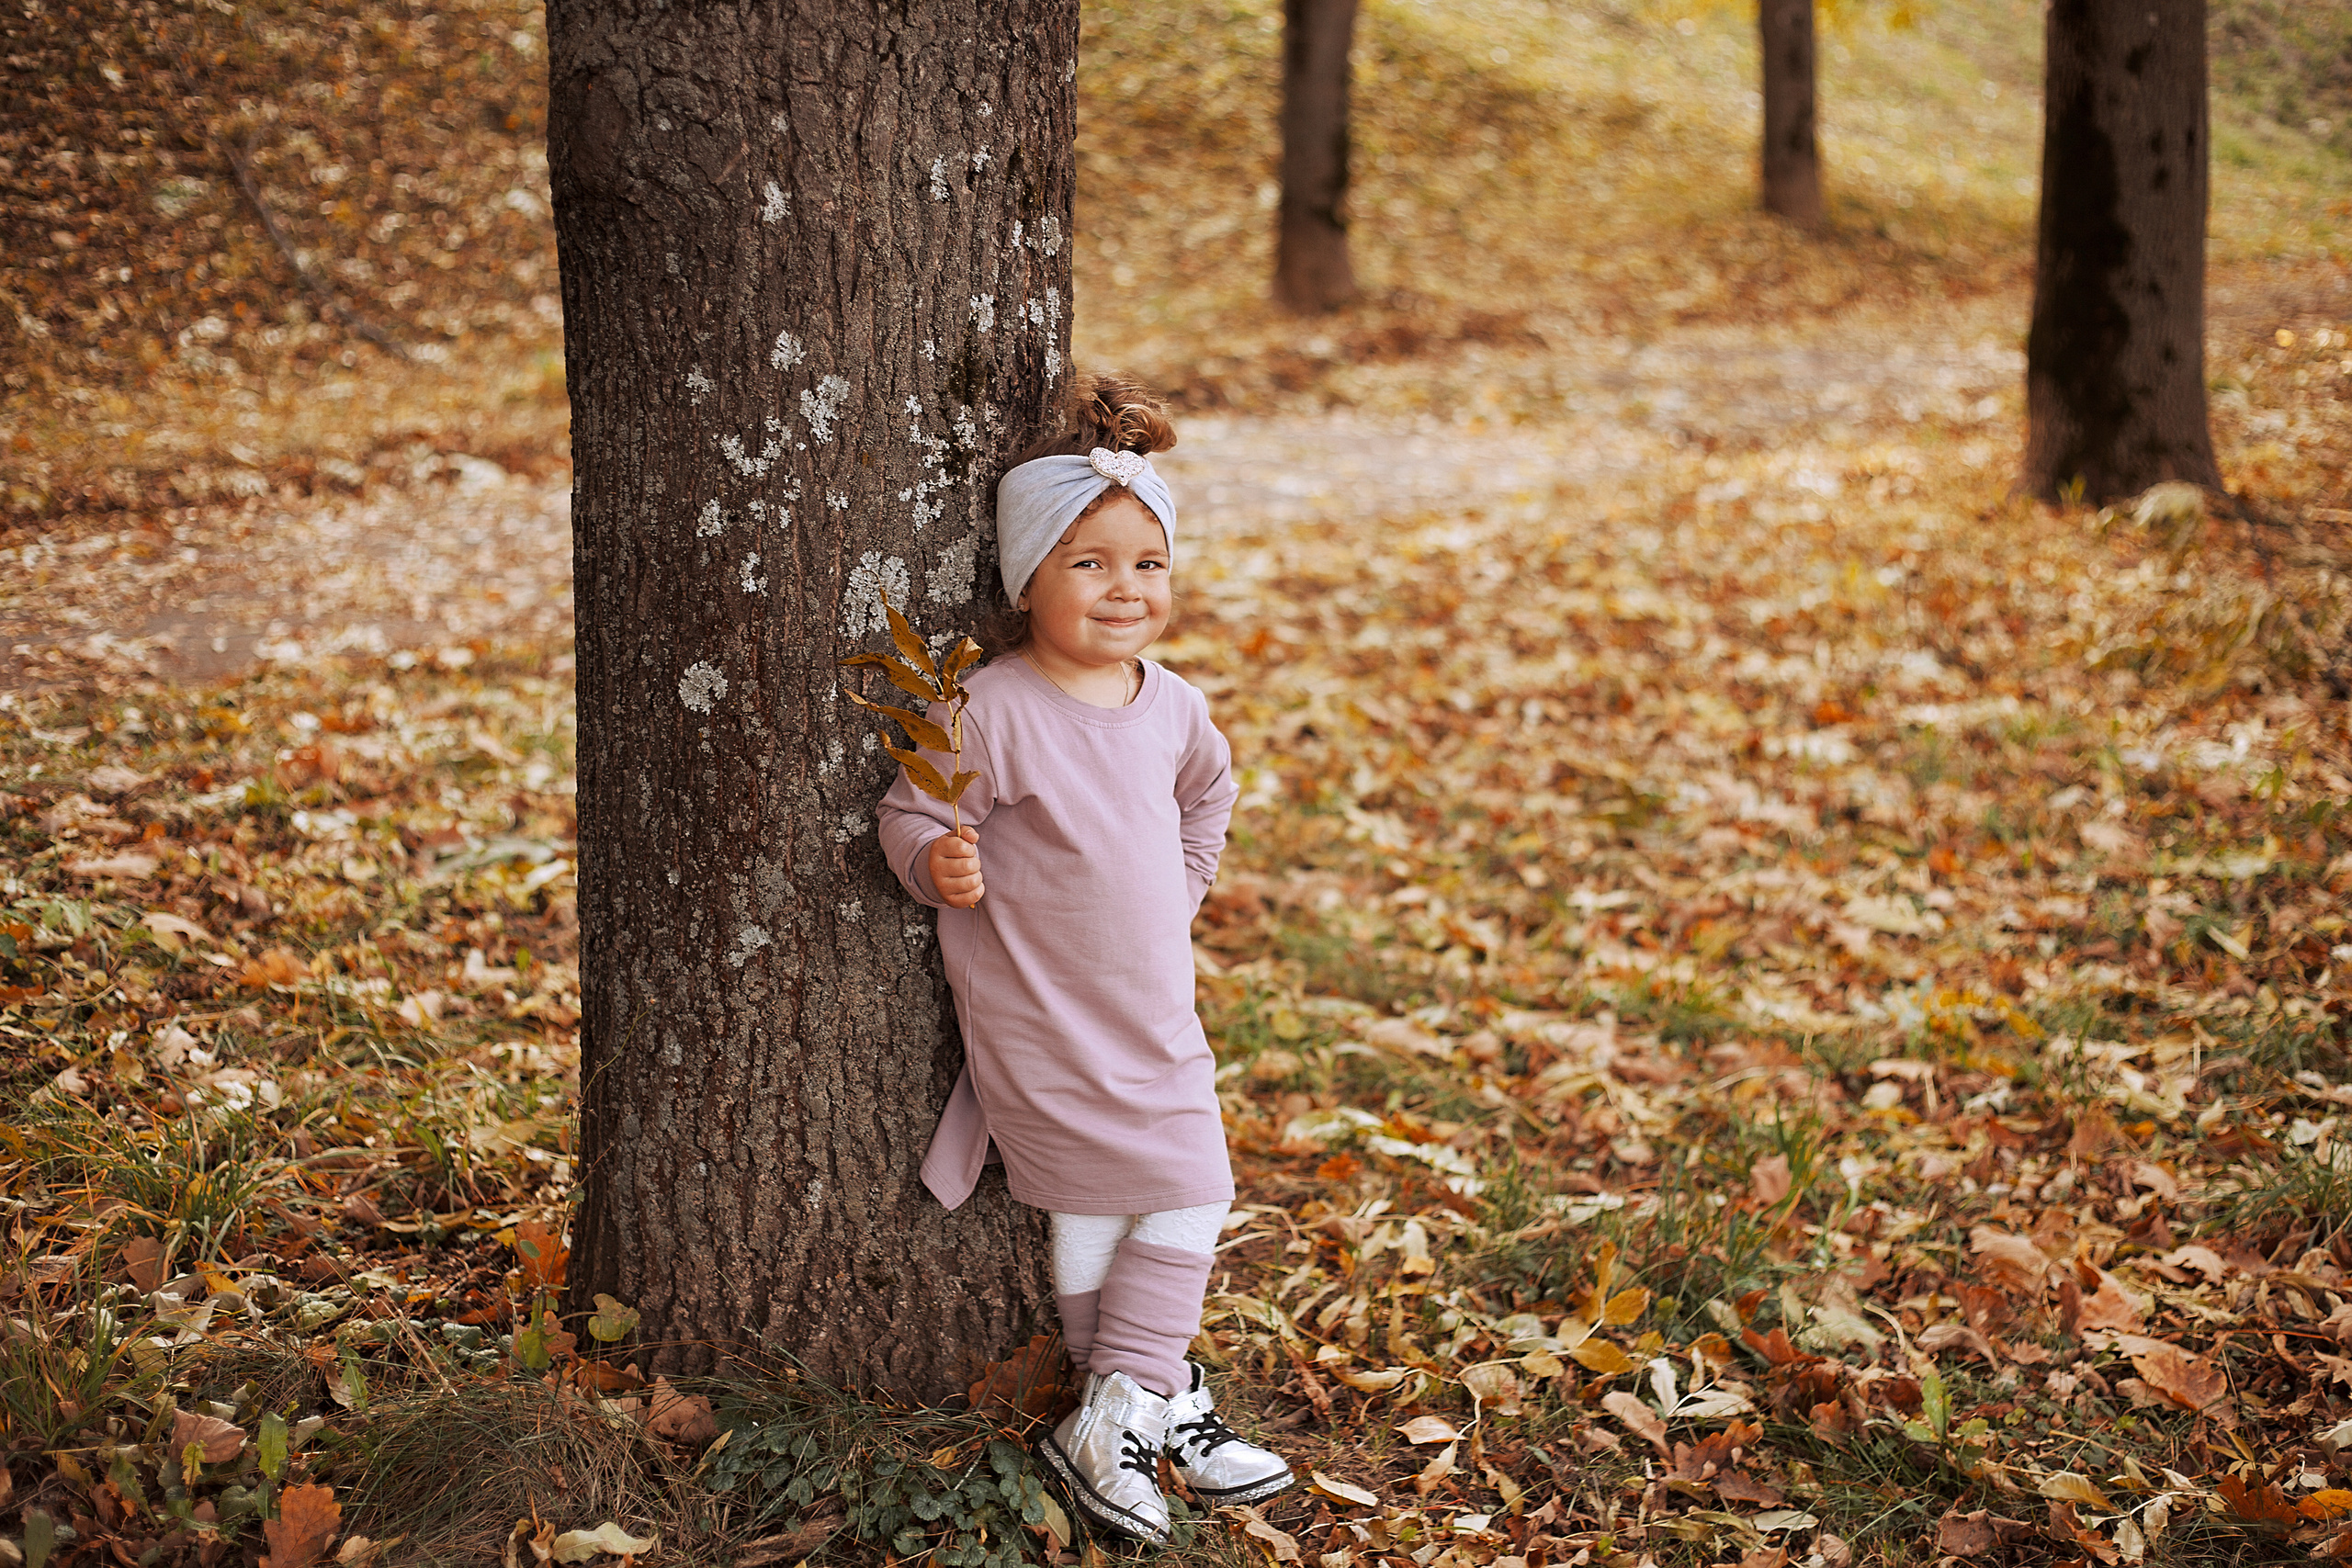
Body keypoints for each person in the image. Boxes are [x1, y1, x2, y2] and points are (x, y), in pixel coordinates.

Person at [875, 374, 1295, 1544]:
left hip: (1154, 1008)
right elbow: (911, 814)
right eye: (1091, 564)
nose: (1127, 589)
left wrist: (1182, 884)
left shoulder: (1170, 708)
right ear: (1027, 581)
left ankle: (1128, 1410)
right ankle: (1138, 1401)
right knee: (1130, 1193)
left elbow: (1210, 797)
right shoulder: (993, 708)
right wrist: (934, 865)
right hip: (1040, 1015)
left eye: (1147, 564)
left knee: (1168, 1184)